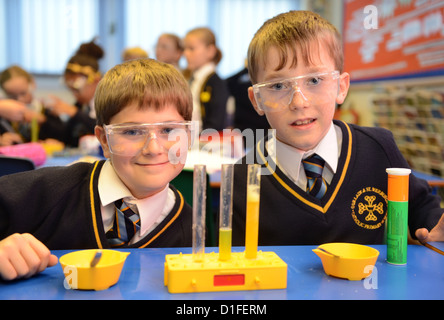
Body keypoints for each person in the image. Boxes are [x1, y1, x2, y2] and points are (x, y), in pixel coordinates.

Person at [231, 10, 444, 246]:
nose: (299, 102)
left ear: (341, 88)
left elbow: (422, 208)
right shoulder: (241, 179)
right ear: (257, 100)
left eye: (314, 80)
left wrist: (434, 227)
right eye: (278, 85)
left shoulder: (378, 149)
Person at [0, 58, 194, 281]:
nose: (153, 148)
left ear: (187, 135)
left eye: (169, 130)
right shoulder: (43, 193)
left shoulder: (193, 230)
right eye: (132, 132)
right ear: (104, 140)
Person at [49, 39, 103, 147]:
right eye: (71, 90)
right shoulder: (81, 105)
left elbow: (104, 130)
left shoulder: (105, 103)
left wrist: (75, 113)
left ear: (96, 80)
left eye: (77, 89)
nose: (74, 95)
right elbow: (67, 136)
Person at [0, 65, 66, 144]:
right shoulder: (3, 118)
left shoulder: (46, 110)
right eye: (13, 96)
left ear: (32, 84)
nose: (20, 100)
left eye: (23, 93)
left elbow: (65, 137)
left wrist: (44, 121)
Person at [183, 27, 229, 131]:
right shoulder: (191, 79)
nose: (185, 54)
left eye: (191, 49)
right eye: (184, 49)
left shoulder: (216, 83)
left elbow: (216, 123)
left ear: (210, 51)